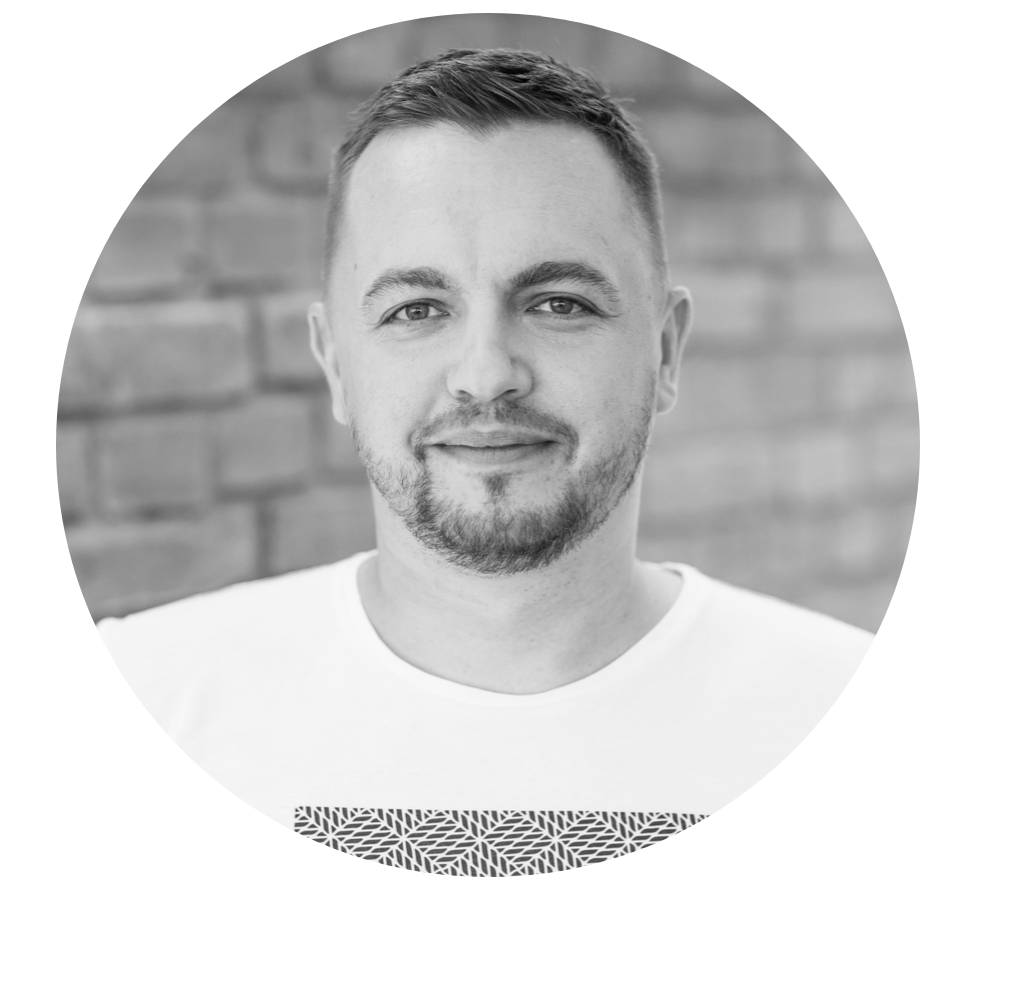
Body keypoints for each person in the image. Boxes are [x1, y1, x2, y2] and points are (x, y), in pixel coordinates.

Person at [101, 49, 872, 877]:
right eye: (416, 310)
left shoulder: (854, 721)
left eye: (559, 304)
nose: (485, 373)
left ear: (666, 351)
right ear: (334, 364)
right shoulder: (140, 704)